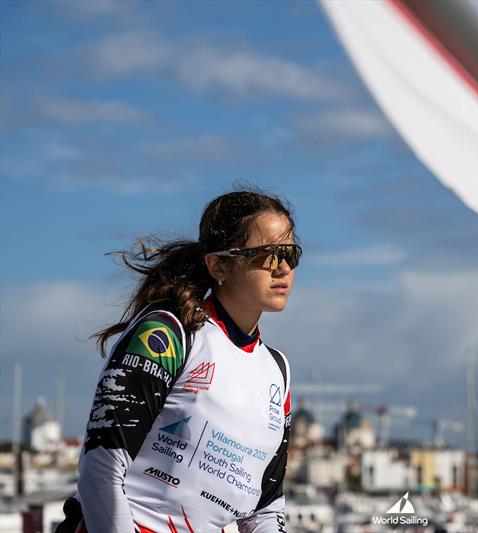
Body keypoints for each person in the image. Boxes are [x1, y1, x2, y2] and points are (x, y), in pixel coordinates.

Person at [57, 189, 301, 533]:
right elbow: (102, 467)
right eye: (267, 255)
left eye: (290, 254)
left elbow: (265, 509)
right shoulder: (168, 333)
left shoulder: (278, 371)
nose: (283, 268)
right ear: (218, 265)